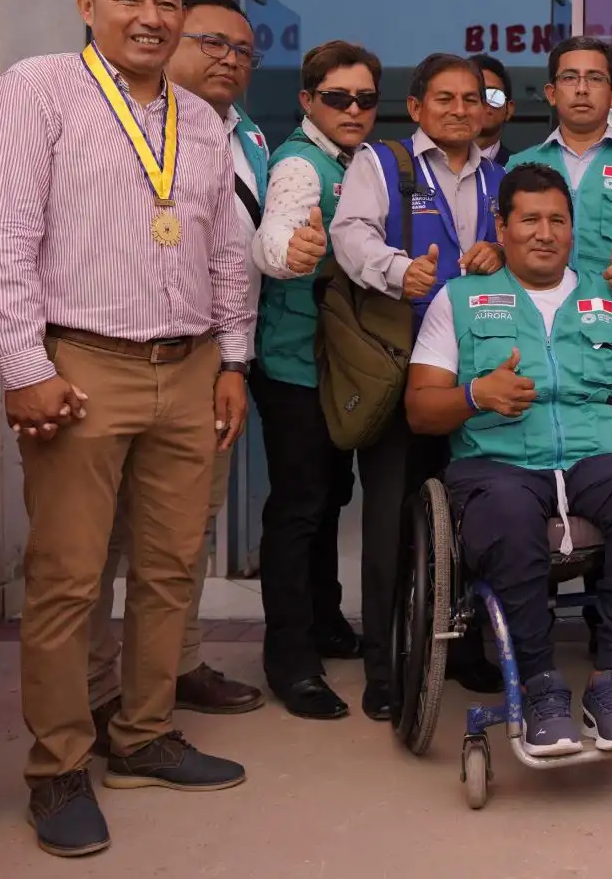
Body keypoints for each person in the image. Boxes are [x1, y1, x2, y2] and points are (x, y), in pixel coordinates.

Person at [0, 0, 251, 858]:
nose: (152, 17)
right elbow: (5, 239)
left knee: (174, 568)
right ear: (85, 5)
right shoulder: (39, 89)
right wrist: (24, 366)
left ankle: (141, 736)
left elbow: (222, 252)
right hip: (82, 364)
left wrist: (233, 361)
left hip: (191, 363)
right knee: (68, 577)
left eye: (167, 2)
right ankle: (58, 767)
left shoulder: (200, 121)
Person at [407, 163, 612, 754]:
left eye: (557, 221)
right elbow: (418, 409)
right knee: (511, 511)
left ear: (572, 230)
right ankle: (540, 684)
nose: (544, 233)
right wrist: (475, 394)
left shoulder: (611, 301)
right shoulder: (459, 299)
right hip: (498, 464)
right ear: (502, 227)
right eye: (530, 220)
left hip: (595, 461)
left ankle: (611, 679)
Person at [86, 0, 268, 738]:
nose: (229, 60)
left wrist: (234, 359)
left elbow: (236, 256)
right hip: (105, 358)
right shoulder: (108, 123)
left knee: (185, 532)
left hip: (208, 361)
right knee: (100, 541)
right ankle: (97, 687)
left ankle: (177, 665)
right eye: (213, 43)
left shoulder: (250, 138)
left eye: (242, 52)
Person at [329, 51, 507, 720]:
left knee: (473, 516)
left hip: (477, 376)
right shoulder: (384, 164)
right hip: (403, 370)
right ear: (419, 105)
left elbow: (528, 249)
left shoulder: (501, 174)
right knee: (391, 522)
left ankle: (463, 652)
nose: (460, 110)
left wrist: (501, 253)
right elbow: (349, 235)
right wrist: (396, 269)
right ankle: (386, 665)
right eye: (445, 98)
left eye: (472, 99)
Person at [250, 40, 389, 719]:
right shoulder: (301, 167)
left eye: (365, 98)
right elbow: (278, 233)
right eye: (338, 98)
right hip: (295, 368)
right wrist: (289, 249)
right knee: (300, 510)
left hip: (336, 370)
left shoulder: (360, 163)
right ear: (308, 101)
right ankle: (292, 660)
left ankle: (327, 624)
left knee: (331, 498)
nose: (354, 109)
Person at [507, 35, 612, 301]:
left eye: (595, 78)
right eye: (569, 78)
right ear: (551, 93)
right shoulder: (518, 167)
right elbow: (503, 244)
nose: (582, 89)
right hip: (533, 322)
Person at [470, 52, 514, 165]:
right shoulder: (430, 165)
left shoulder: (521, 170)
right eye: (472, 94)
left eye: (493, 94)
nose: (483, 102)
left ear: (509, 109)